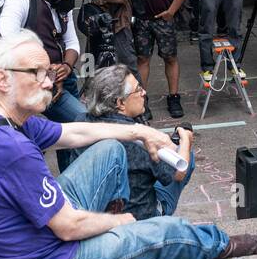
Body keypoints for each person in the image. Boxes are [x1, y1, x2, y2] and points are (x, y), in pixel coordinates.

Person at [0, 31, 257, 259]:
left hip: (33, 241)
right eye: (36, 73)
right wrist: (121, 222)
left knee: (111, 149)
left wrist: (138, 131)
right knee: (160, 231)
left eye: (47, 72)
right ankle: (253, 243)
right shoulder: (12, 148)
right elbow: (67, 227)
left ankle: (119, 230)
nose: (49, 82)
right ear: (3, 79)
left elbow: (75, 132)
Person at [0, 0, 89, 171]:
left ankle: (69, 180)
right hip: (36, 83)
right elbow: (3, 41)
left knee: (70, 137)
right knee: (80, 120)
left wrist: (66, 66)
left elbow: (72, 42)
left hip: (63, 79)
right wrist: (42, 72)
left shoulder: (60, 5)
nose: (71, 1)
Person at [83, 65, 194, 220]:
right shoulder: (142, 143)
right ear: (120, 103)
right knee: (186, 155)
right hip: (140, 218)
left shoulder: (81, 125)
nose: (144, 93)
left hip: (94, 214)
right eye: (138, 90)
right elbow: (179, 172)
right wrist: (186, 139)